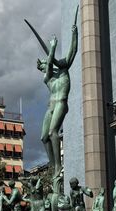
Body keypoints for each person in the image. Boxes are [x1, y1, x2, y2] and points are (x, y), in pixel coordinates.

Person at [38, 24, 78, 179]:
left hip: (61, 102)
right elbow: (49, 63)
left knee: (52, 132)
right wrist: (52, 47)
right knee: (43, 137)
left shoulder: (63, 71)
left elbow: (72, 51)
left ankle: (58, 165)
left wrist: (74, 34)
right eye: (42, 65)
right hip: (51, 106)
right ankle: (53, 164)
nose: (44, 65)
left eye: (44, 63)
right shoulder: (47, 77)